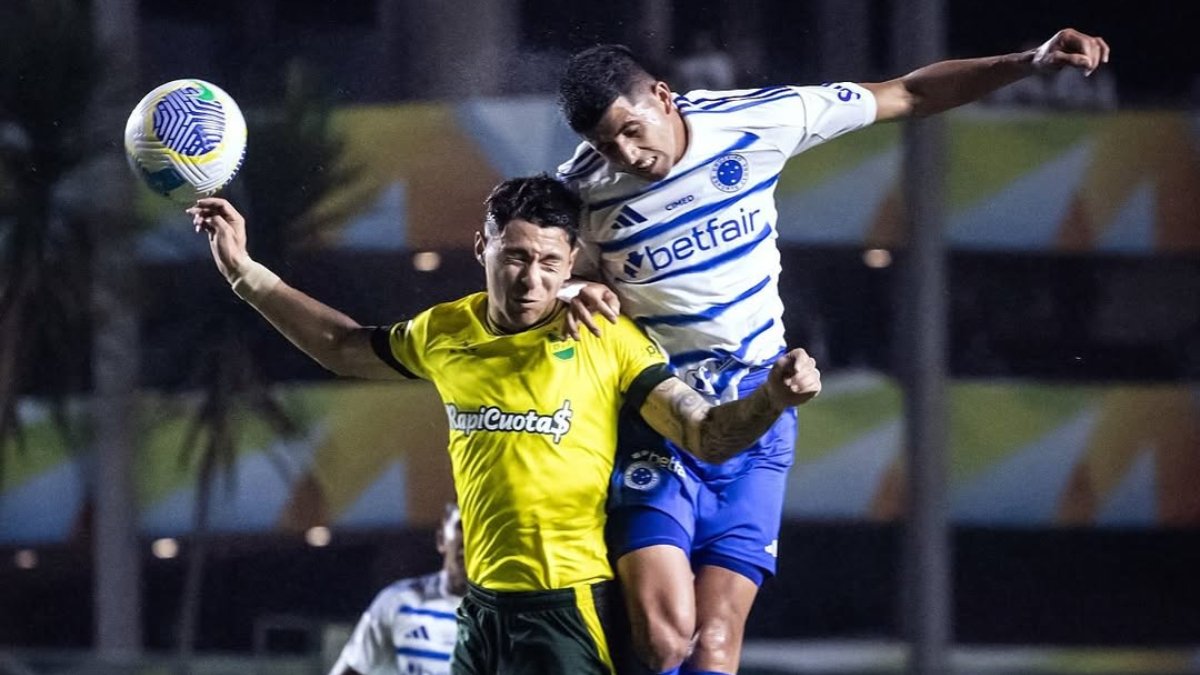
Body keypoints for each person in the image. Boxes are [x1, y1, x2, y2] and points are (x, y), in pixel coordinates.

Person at [555, 28, 1110, 675]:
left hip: (759, 412)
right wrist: (571, 286)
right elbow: (532, 260)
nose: (625, 153)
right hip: (660, 416)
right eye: (604, 144)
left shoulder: (759, 120)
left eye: (630, 129)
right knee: (662, 640)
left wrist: (1029, 62)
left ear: (661, 94)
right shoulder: (581, 186)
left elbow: (907, 92)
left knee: (713, 643)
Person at [189, 174, 821, 675]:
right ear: (481, 246)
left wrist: (771, 398)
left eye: (550, 262)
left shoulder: (605, 338)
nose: (532, 279)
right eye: (516, 256)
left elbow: (704, 432)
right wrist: (246, 273)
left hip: (570, 610)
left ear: (572, 260)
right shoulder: (446, 331)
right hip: (483, 611)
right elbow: (342, 345)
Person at [329, 503, 466, 675]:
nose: (471, 538)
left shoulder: (505, 615)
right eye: (462, 526)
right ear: (441, 539)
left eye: (482, 530)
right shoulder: (398, 602)